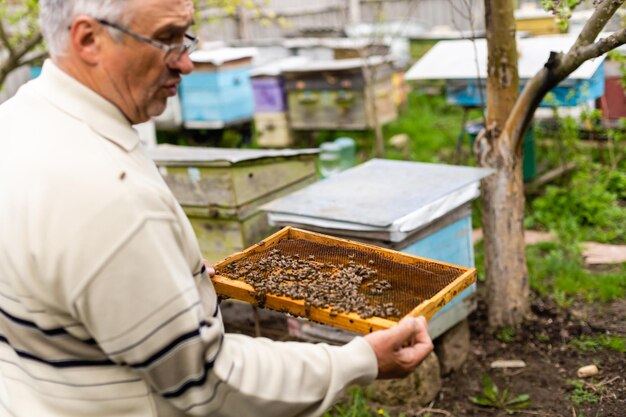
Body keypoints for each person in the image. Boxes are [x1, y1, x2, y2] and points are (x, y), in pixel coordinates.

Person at [0, 1, 433, 416]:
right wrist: (359, 361)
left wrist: (161, 273)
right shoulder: (111, 196)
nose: (186, 62)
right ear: (88, 39)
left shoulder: (17, 122)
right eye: (166, 38)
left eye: (184, 37)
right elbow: (208, 384)